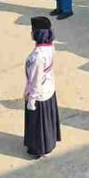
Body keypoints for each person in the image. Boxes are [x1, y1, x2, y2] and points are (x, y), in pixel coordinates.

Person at [24, 16, 61, 159]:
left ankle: (38, 148)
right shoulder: (50, 47)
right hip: (49, 89)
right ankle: (48, 142)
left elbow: (35, 81)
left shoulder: (37, 56)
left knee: (38, 124)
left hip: (39, 94)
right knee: (47, 122)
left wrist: (31, 100)